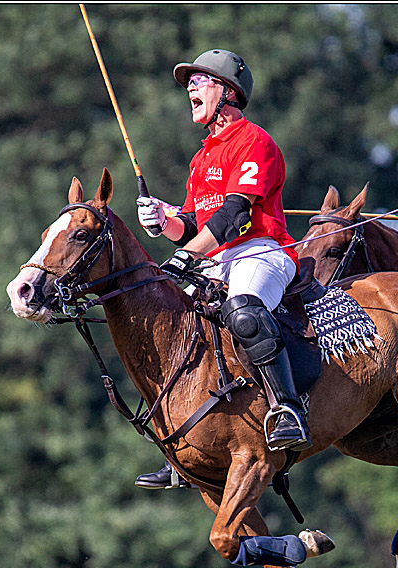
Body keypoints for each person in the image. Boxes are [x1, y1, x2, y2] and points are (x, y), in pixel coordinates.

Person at [135, 49, 312, 490]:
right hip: (217, 257)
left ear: (228, 92)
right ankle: (183, 448)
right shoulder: (201, 159)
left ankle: (287, 407)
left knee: (245, 311)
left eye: (199, 82)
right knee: (171, 326)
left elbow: (234, 214)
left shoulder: (255, 141)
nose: (190, 90)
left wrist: (189, 255)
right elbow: (194, 223)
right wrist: (164, 221)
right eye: (189, 84)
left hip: (261, 252)